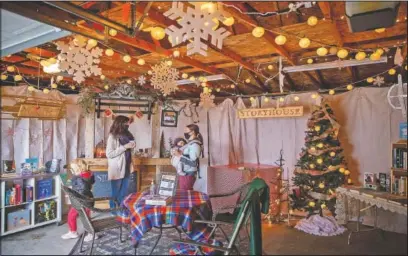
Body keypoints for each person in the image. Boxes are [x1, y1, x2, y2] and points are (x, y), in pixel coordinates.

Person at [61, 159, 98, 241]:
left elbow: (82, 190)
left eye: (73, 169)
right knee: (86, 217)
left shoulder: (78, 178)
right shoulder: (88, 175)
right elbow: (86, 186)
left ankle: (74, 232)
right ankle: (91, 233)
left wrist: (70, 190)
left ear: (78, 169)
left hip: (80, 201)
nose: (71, 171)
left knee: (72, 215)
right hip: (88, 199)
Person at [106, 115, 136, 210]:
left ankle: (121, 210)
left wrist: (132, 145)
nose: (128, 124)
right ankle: (113, 210)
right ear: (120, 123)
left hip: (126, 165)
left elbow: (128, 148)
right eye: (126, 123)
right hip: (117, 168)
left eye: (128, 122)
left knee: (123, 192)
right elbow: (109, 154)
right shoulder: (112, 137)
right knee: (116, 192)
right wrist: (125, 147)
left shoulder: (127, 134)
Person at [172, 124, 204, 190]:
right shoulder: (190, 143)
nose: (184, 132)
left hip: (188, 173)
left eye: (186, 130)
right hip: (185, 172)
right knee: (185, 192)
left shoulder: (195, 145)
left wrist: (179, 156)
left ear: (192, 132)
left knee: (186, 192)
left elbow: (193, 163)